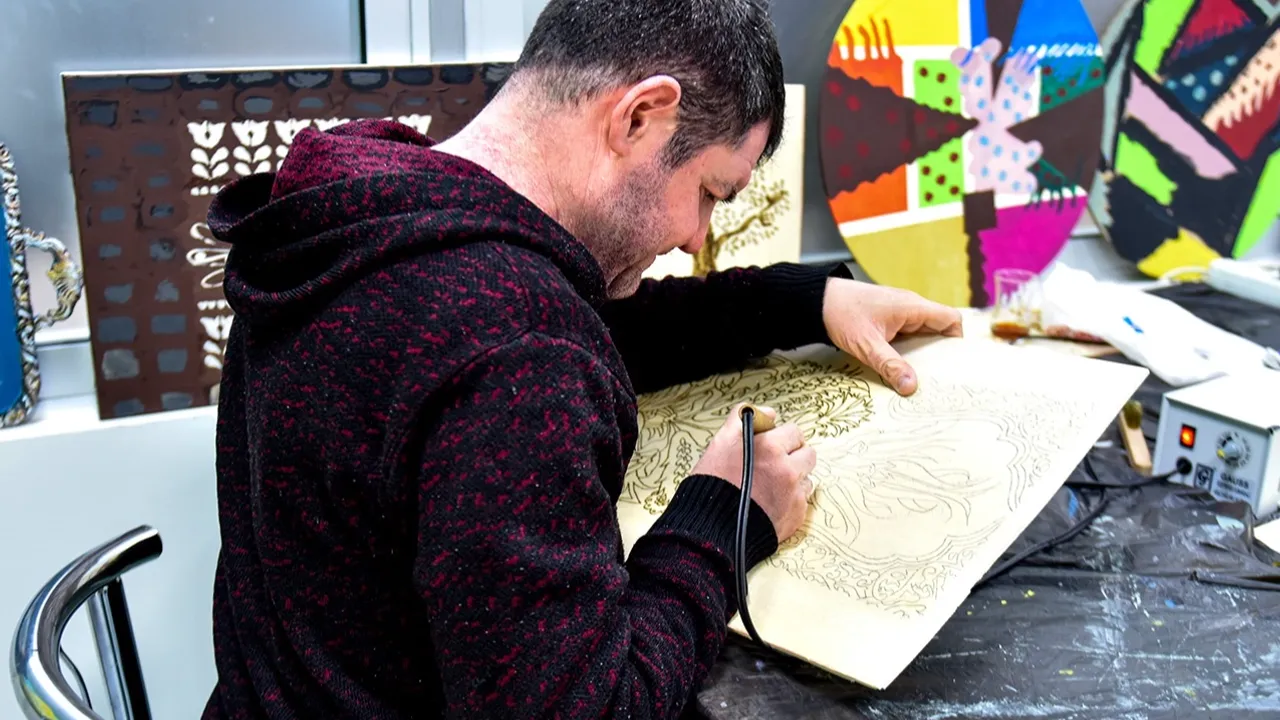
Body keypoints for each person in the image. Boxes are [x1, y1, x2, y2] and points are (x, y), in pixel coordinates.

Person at [200, 0, 963, 717]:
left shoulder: (366, 217)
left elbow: (576, 327)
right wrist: (724, 520)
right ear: (639, 116)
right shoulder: (513, 346)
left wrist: (802, 302)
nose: (697, 236)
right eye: (708, 191)